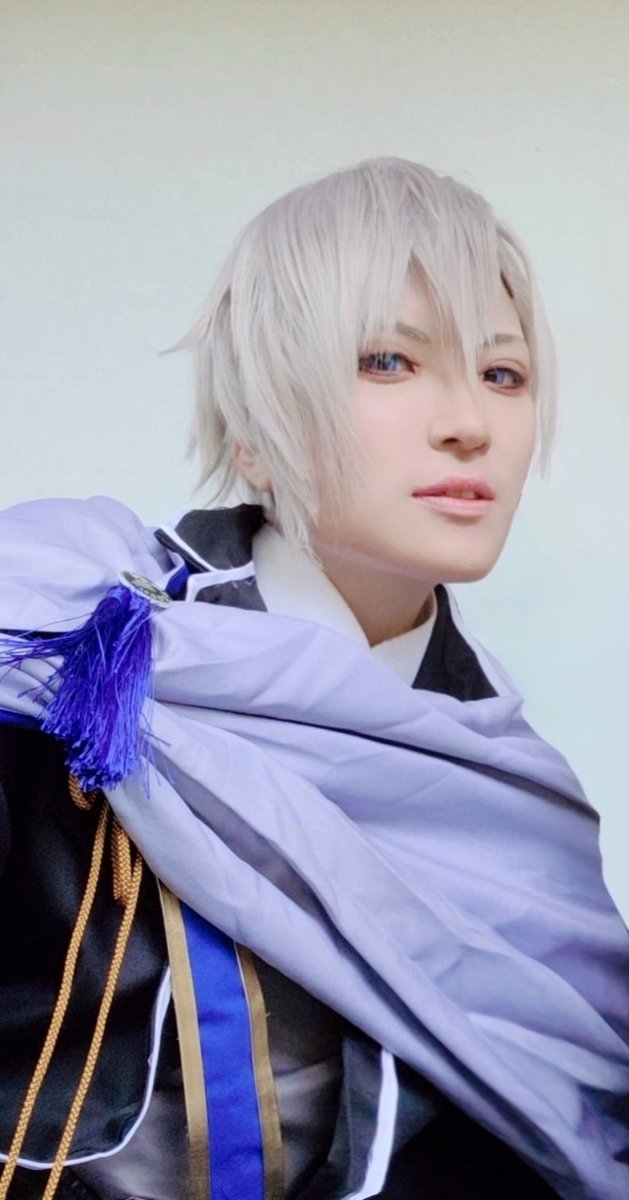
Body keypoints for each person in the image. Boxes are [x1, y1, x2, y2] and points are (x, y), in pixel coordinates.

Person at [0, 158, 627, 1200]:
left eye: (501, 374)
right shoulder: (72, 667)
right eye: (389, 361)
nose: (468, 422)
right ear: (252, 432)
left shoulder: (524, 803)